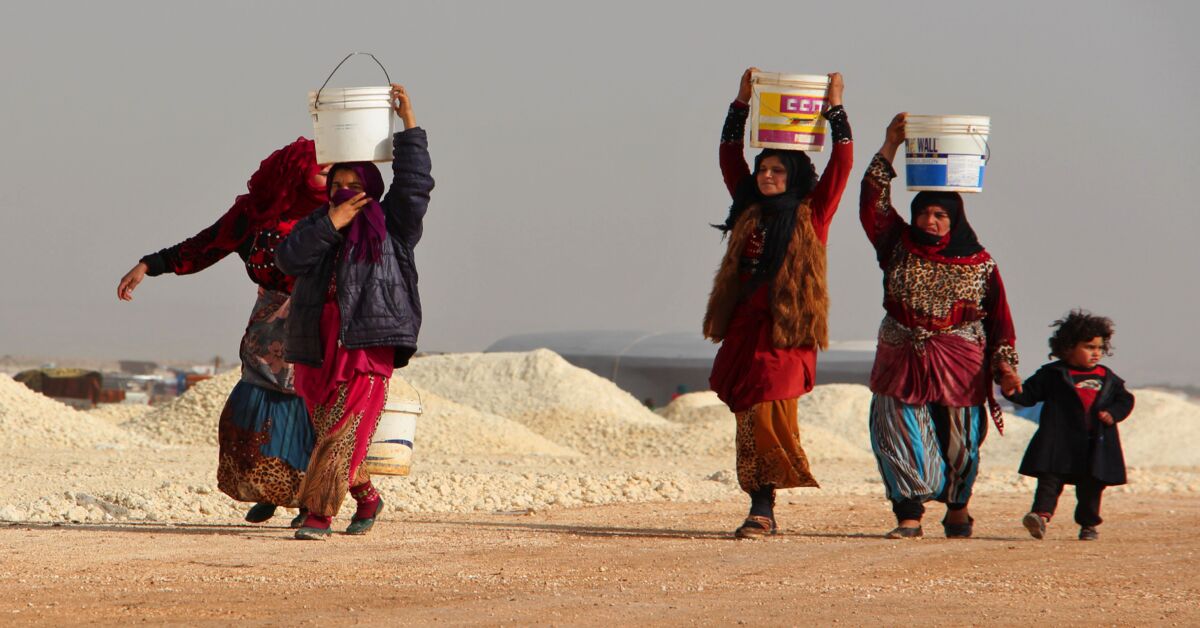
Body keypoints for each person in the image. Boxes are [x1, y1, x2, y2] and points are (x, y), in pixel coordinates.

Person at [117, 137, 327, 527]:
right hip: (266, 336)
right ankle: (269, 489)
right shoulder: (253, 215)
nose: (332, 174)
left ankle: (309, 503)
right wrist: (149, 265)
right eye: (323, 167)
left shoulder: (339, 213)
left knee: (310, 414)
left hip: (320, 330)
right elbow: (205, 245)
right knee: (252, 412)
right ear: (294, 172)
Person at [276, 83, 433, 540]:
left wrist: (409, 125)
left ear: (372, 188)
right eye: (337, 184)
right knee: (331, 431)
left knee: (343, 432)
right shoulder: (316, 225)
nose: (344, 191)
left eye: (354, 185)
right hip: (315, 345)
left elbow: (416, 183)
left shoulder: (394, 227)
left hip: (366, 344)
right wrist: (330, 224)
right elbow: (288, 260)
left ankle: (319, 514)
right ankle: (367, 497)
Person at [704, 68, 852, 538]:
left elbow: (841, 167)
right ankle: (760, 504)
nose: (766, 175)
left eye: (776, 170)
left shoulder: (814, 214)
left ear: (793, 176)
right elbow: (729, 156)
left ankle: (762, 508)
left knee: (770, 409)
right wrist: (741, 102)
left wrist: (836, 110)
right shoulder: (747, 208)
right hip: (745, 329)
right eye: (763, 169)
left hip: (785, 335)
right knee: (748, 415)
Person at [859, 112, 1022, 539]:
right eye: (923, 214)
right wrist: (890, 144)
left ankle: (957, 507)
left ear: (954, 220)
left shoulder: (980, 263)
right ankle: (909, 513)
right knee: (896, 428)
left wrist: (1005, 366)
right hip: (901, 351)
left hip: (960, 358)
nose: (929, 222)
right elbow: (872, 201)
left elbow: (1001, 319)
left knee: (960, 439)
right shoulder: (896, 244)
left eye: (939, 215)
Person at [1007, 310, 1135, 541]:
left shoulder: (1107, 377)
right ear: (1067, 348)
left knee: (1091, 487)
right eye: (1088, 347)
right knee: (1049, 481)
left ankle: (1088, 525)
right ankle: (1040, 517)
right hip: (1058, 442)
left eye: (1099, 347)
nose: (1096, 353)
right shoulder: (1053, 374)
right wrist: (1010, 388)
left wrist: (1113, 414)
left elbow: (1125, 399)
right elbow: (1028, 395)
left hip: (1094, 445)